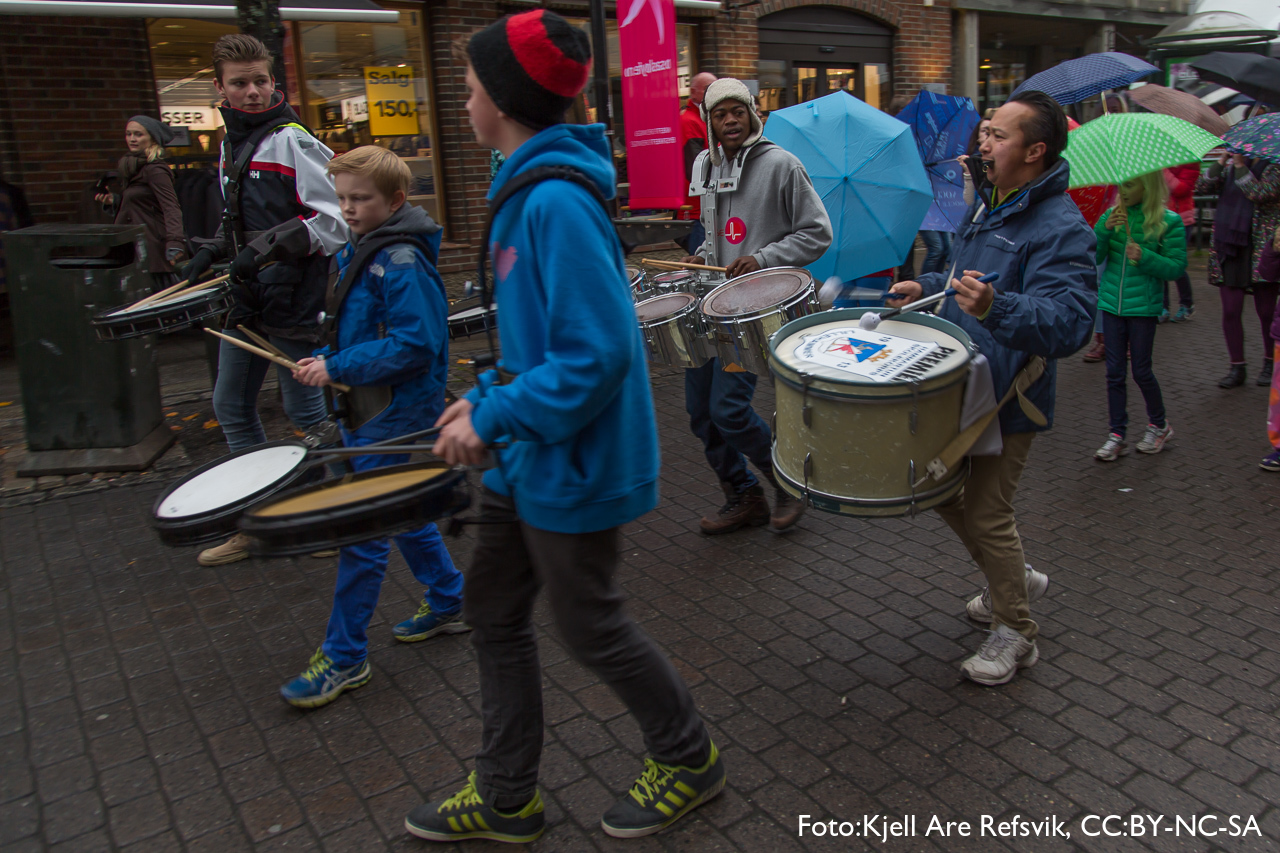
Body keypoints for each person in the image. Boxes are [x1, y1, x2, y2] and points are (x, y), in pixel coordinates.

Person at [406, 10, 722, 843]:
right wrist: (486, 401)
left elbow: (599, 353)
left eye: (471, 86)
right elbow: (544, 337)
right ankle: (508, 793)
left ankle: (688, 757)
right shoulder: (523, 186)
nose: (465, 98)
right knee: (493, 609)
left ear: (502, 100)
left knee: (591, 624)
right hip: (527, 456)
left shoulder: (553, 202)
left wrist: (501, 410)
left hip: (573, 462)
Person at [888, 90, 1096, 686]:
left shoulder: (1061, 226)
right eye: (983, 132)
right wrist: (928, 283)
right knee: (942, 491)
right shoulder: (994, 205)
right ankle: (1016, 577)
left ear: (1034, 151)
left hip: (1010, 395)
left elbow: (1071, 323)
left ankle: (1017, 630)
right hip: (963, 385)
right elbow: (966, 279)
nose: (982, 143)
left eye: (997, 136)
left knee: (986, 512)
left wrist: (998, 307)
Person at [278, 146, 467, 708]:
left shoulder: (401, 261)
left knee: (364, 531)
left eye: (360, 198)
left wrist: (337, 367)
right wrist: (326, 355)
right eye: (341, 197)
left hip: (395, 411)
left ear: (395, 201)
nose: (348, 208)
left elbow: (417, 345)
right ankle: (449, 599)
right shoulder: (362, 251)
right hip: (371, 406)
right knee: (401, 512)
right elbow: (360, 330)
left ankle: (344, 656)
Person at [185, 34, 346, 567]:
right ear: (220, 88)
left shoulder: (292, 140)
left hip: (296, 299)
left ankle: (332, 515)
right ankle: (259, 521)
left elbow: (335, 221)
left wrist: (263, 249)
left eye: (260, 81)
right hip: (249, 297)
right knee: (230, 405)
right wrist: (211, 251)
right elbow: (241, 218)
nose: (253, 92)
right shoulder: (232, 143)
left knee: (307, 412)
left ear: (275, 82)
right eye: (240, 83)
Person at [679, 78, 832, 535]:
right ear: (709, 120)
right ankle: (743, 495)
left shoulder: (781, 165)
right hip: (708, 304)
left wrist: (763, 258)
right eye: (720, 113)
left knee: (728, 409)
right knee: (700, 414)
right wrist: (701, 260)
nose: (730, 120)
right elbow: (715, 237)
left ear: (752, 114)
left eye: (737, 111)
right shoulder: (705, 165)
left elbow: (817, 232)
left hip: (752, 310)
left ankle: (785, 483)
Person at [1092, 171, 1184, 462]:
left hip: (1143, 307)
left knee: (1141, 371)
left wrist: (1145, 257)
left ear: (1148, 186)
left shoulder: (1169, 221)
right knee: (1114, 373)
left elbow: (1176, 268)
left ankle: (1159, 425)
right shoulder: (1112, 215)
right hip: (1111, 305)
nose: (1123, 190)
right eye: (1121, 184)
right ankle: (1116, 435)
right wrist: (1104, 231)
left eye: (1130, 184)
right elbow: (1092, 256)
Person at [1197, 152, 1280, 388]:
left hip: (1261, 247)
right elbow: (1202, 186)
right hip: (1230, 246)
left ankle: (1269, 361)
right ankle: (1237, 366)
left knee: (1266, 312)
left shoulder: (1276, 166)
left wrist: (1242, 166)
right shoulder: (1230, 166)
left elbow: (1259, 193)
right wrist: (1222, 161)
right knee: (1231, 310)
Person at [95, 115, 187, 290]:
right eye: (128, 134)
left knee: (163, 302)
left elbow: (171, 207)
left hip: (155, 250)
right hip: (137, 246)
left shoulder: (155, 170)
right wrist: (114, 201)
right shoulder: (133, 167)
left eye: (138, 134)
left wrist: (175, 242)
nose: (132, 139)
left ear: (152, 138)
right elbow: (141, 204)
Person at [676, 71, 716, 255]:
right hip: (697, 211)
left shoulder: (705, 119)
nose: (713, 92)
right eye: (708, 88)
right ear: (693, 92)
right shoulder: (689, 121)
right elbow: (696, 169)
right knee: (703, 268)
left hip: (706, 207)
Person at [1162, 162, 1200, 323]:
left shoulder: (1191, 162)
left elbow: (1181, 189)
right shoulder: (1161, 158)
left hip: (1181, 220)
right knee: (1160, 263)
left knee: (1177, 264)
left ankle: (1186, 304)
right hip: (1161, 217)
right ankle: (1162, 306)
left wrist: (1161, 170)